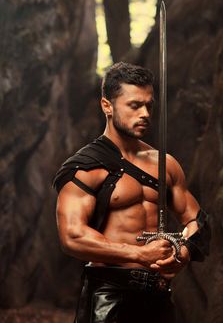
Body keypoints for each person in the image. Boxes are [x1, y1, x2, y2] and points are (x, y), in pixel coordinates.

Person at [53, 62, 210, 323]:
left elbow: (196, 221)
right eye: (135, 105)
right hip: (108, 295)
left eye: (149, 105)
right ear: (107, 106)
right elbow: (73, 236)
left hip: (158, 294)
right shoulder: (86, 167)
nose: (146, 113)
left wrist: (182, 254)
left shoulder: (164, 164)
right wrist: (138, 254)